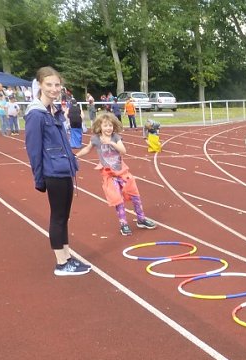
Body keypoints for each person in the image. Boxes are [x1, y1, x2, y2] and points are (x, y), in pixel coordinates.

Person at [24, 66, 91, 276]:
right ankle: (61, 263)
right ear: (40, 85)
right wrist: (39, 179)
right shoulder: (36, 114)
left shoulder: (54, 111)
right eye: (49, 84)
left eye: (57, 84)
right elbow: (33, 149)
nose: (54, 88)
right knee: (58, 217)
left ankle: (67, 256)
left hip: (64, 169)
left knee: (64, 216)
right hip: (53, 172)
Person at [75, 111, 157, 236]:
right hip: (109, 175)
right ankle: (123, 224)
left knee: (135, 195)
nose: (108, 128)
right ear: (99, 126)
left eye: (110, 125)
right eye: (105, 125)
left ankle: (141, 219)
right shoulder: (96, 139)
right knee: (117, 199)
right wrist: (76, 155)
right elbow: (87, 148)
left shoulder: (116, 137)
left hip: (122, 172)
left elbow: (123, 151)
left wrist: (112, 143)